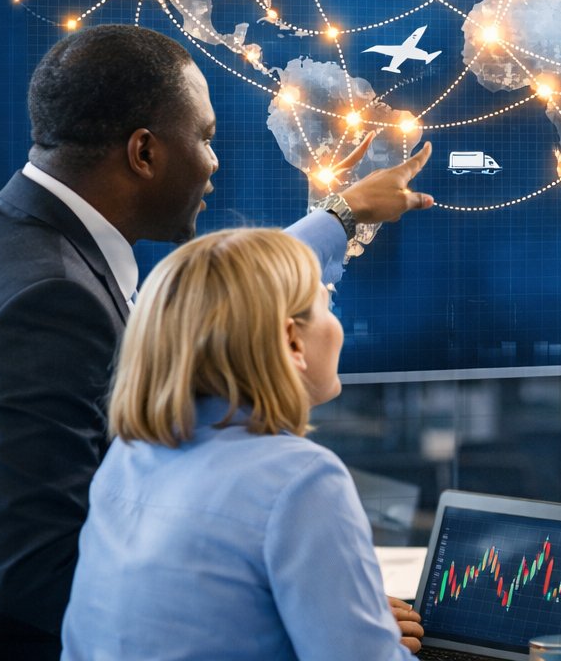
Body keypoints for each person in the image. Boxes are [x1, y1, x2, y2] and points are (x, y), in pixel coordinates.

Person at [0, 25, 432, 661]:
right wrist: (305, 610)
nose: (216, 160)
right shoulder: (52, 300)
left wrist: (340, 216)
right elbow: (30, 569)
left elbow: (202, 304)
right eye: (206, 138)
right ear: (144, 152)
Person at [60, 228, 417, 660]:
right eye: (328, 304)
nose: (337, 325)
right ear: (291, 339)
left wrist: (347, 618)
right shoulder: (302, 480)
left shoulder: (129, 455)